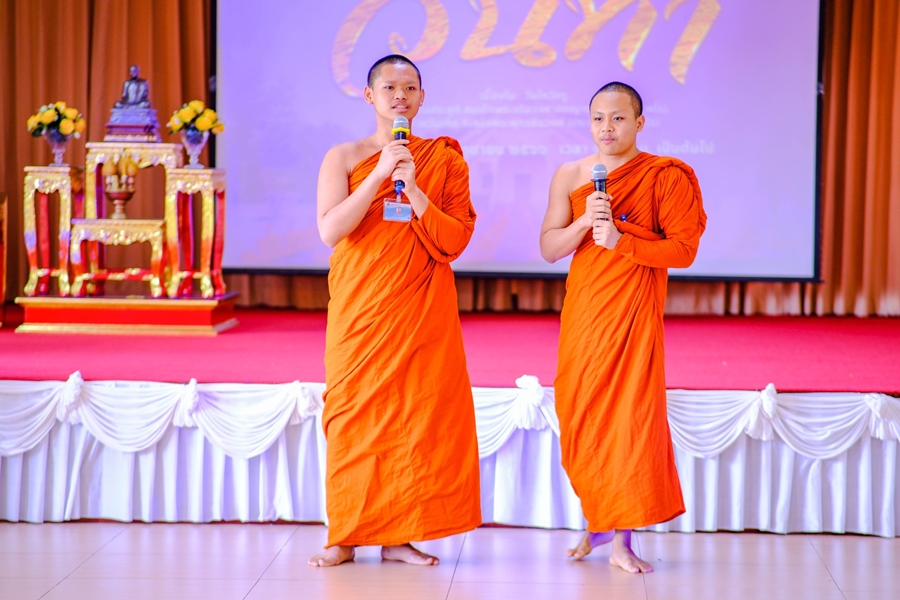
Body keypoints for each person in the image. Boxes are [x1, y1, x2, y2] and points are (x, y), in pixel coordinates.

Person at [308, 55, 481, 568]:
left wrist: (417, 191)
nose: (400, 95)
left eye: (410, 87)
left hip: (419, 307)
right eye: (389, 87)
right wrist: (379, 174)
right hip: (361, 310)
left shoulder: (444, 160)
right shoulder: (343, 156)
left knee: (415, 416)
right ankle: (345, 534)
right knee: (352, 416)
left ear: (422, 98)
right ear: (370, 95)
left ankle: (399, 535)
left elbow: (455, 241)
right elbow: (330, 230)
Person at [539, 82, 707, 573]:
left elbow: (683, 251)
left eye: (617, 118)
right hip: (585, 313)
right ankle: (598, 520)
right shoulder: (571, 175)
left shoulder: (665, 175)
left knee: (628, 420)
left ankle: (622, 539)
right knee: (581, 415)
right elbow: (549, 248)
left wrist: (620, 240)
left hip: (632, 316)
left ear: (639, 122)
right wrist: (583, 224)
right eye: (598, 118)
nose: (606, 127)